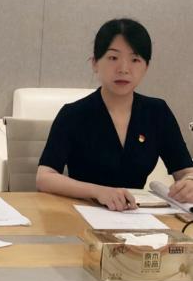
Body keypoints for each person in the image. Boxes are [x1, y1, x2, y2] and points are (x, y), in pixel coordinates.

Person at [36, 18, 193, 210]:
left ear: (146, 67)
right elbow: (45, 177)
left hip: (137, 216)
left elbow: (185, 171)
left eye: (135, 60)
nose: (123, 69)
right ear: (95, 63)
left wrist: (189, 182)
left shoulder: (157, 112)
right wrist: (98, 191)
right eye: (113, 58)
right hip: (82, 212)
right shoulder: (73, 114)